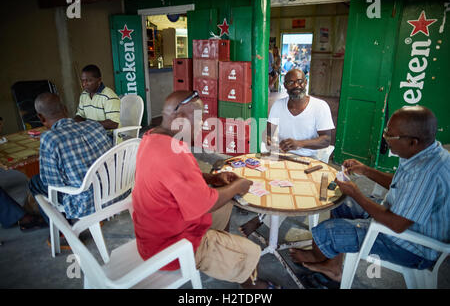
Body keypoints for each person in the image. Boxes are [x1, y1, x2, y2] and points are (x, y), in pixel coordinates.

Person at [131, 90, 280, 289]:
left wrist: (212, 177)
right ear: (182, 119)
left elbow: (172, 180)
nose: (202, 125)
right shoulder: (174, 154)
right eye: (200, 120)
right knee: (250, 252)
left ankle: (220, 248)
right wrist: (238, 185)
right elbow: (203, 203)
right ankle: (249, 284)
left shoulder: (151, 138)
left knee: (225, 203)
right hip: (170, 247)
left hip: (153, 233)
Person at [289, 106, 449, 286]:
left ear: (413, 141)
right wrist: (366, 171)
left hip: (412, 246)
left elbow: (397, 224)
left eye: (390, 135)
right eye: (387, 130)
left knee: (327, 231)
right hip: (399, 217)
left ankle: (321, 259)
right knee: (340, 199)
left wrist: (357, 194)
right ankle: (332, 265)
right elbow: (401, 184)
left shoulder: (426, 173)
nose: (385, 137)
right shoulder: (423, 151)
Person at [29, 93, 112, 226]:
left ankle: (63, 230)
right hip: (112, 191)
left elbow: (53, 183)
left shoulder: (50, 138)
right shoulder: (94, 125)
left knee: (35, 182)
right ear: (66, 109)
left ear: (41, 117)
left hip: (86, 202)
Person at [266, 68, 334, 159]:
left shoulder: (320, 106)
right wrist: (268, 140)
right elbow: (269, 133)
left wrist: (299, 144)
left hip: (309, 156)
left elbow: (326, 140)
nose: (296, 85)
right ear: (285, 85)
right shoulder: (277, 105)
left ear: (305, 82)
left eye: (300, 81)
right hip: (282, 154)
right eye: (290, 82)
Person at [74, 64, 121, 130]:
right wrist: (76, 122)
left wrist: (89, 125)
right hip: (91, 131)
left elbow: (114, 123)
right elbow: (80, 115)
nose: (84, 84)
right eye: (83, 80)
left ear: (99, 81)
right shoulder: (84, 95)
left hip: (108, 135)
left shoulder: (109, 97)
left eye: (89, 80)